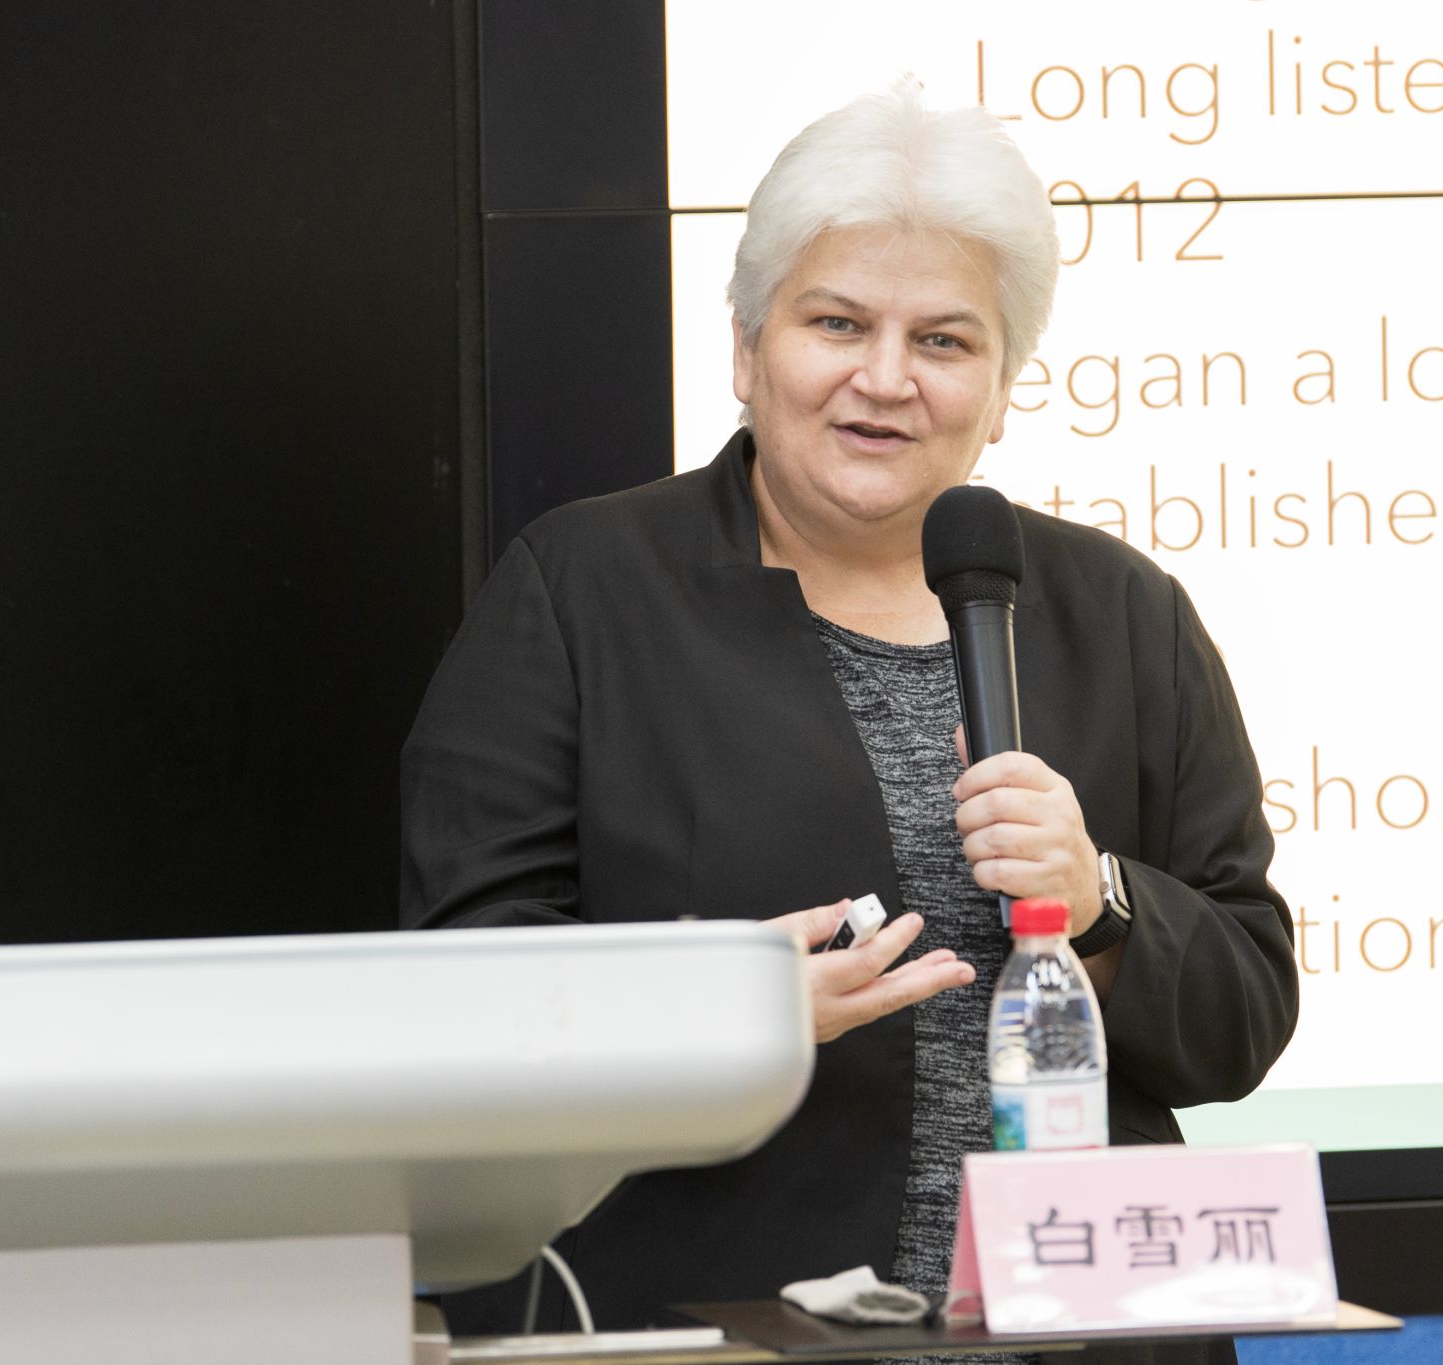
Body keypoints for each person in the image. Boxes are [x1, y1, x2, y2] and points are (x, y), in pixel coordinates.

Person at [401, 82, 1299, 1361]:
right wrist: (713, 1011)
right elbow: (460, 984)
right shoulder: (581, 590)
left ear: (1001, 387)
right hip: (719, 1321)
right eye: (836, 323)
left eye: (944, 341)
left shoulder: (1118, 609)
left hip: (1092, 1327)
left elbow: (1242, 1013)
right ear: (745, 348)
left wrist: (1097, 901)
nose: (884, 380)